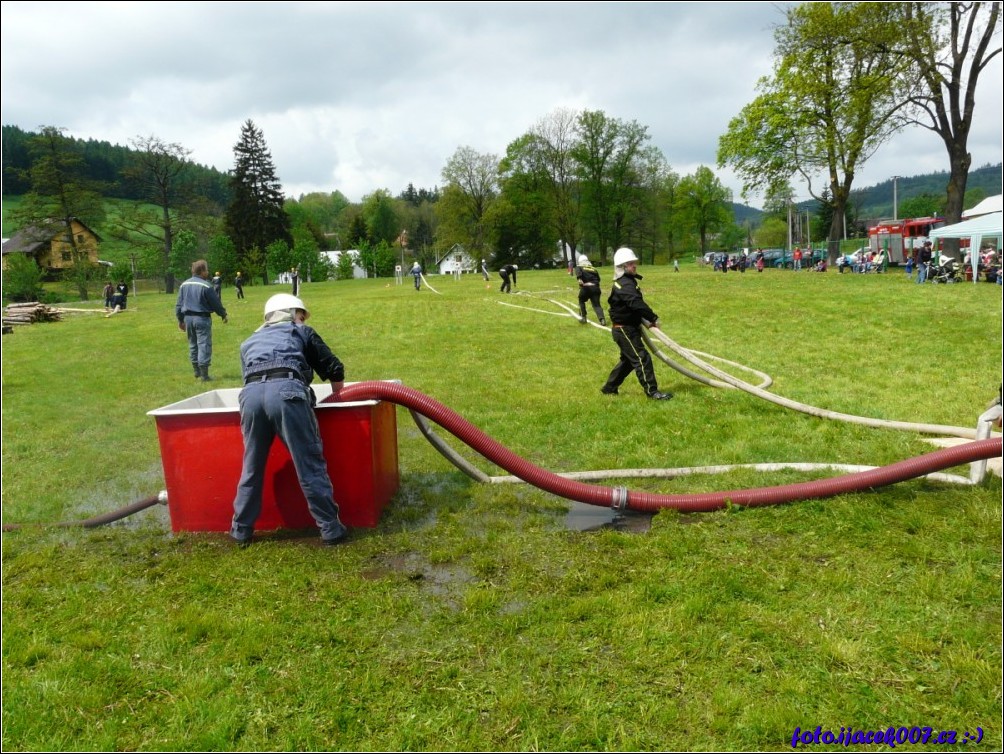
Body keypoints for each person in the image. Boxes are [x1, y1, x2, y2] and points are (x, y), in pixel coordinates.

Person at [230, 293, 349, 548]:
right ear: (294, 314)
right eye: (301, 316)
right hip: (286, 392)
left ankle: (240, 530)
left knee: (251, 467)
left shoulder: (248, 342)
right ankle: (330, 528)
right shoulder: (302, 331)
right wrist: (340, 399)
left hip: (250, 397)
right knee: (308, 464)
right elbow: (333, 367)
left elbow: (248, 378)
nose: (303, 320)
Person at [600, 247, 673, 401]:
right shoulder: (624, 284)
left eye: (634, 263)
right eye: (631, 263)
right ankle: (652, 392)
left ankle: (609, 388)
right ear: (622, 266)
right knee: (642, 358)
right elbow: (636, 303)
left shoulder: (628, 281)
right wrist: (653, 318)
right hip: (624, 330)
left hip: (630, 328)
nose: (635, 266)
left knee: (628, 361)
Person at [175, 259, 228, 381]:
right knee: (204, 344)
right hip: (202, 319)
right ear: (202, 271)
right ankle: (204, 375)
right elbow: (216, 303)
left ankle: (196, 371)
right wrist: (223, 314)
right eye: (207, 270)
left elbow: (178, 305)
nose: (208, 272)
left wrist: (180, 320)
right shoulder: (206, 286)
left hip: (188, 318)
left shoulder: (184, 285)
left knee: (193, 344)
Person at [574, 254, 606, 326]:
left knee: (581, 300)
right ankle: (602, 319)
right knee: (597, 305)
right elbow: (598, 279)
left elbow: (578, 274)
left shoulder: (579, 267)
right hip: (596, 288)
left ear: (580, 261)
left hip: (586, 288)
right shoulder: (593, 269)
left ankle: (584, 318)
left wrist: (580, 279)